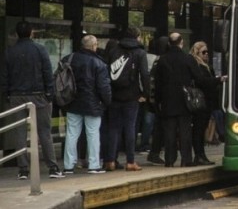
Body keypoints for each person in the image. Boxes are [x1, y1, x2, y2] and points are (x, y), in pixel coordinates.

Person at [0, 21, 65, 179]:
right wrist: (49, 95)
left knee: (20, 132)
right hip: (39, 95)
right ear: (31, 33)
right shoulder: (40, 49)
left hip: (16, 96)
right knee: (44, 132)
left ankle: (23, 169)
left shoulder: (9, 52)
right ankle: (52, 167)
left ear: (16, 34)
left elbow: (4, 76)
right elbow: (47, 73)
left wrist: (7, 94)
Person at [153, 32, 215, 167]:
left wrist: (157, 101)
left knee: (170, 132)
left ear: (169, 43)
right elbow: (199, 79)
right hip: (184, 100)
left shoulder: (162, 60)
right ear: (181, 43)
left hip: (167, 100)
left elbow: (158, 83)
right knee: (184, 131)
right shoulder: (188, 59)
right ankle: (186, 159)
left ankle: (169, 160)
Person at [62, 34, 112, 174]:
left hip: (72, 101)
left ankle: (68, 165)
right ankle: (94, 165)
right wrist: (107, 102)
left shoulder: (69, 58)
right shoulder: (99, 63)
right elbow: (103, 87)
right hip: (92, 103)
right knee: (93, 134)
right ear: (94, 46)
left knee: (72, 133)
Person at [104, 26, 149, 172]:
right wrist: (145, 94)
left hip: (114, 95)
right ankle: (130, 162)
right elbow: (144, 74)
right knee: (130, 127)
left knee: (113, 128)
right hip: (131, 95)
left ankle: (110, 160)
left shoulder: (114, 50)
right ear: (137, 37)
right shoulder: (140, 52)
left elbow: (106, 71)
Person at [189, 41, 225, 166]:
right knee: (198, 129)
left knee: (202, 128)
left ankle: (201, 155)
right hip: (201, 101)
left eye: (207, 52)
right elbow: (202, 81)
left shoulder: (206, 66)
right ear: (197, 53)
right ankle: (199, 155)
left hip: (208, 101)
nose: (206, 54)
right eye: (203, 52)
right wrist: (218, 80)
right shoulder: (197, 65)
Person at [146, 36, 169, 165]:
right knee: (160, 127)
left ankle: (155, 152)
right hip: (161, 99)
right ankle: (155, 152)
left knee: (158, 126)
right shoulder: (162, 61)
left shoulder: (157, 60)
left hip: (155, 99)